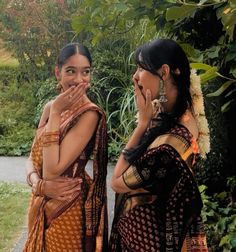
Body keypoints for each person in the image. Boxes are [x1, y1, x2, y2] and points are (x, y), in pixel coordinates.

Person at [109, 38, 209, 251]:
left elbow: (117, 182)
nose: (135, 76)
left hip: (150, 241)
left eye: (141, 68)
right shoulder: (178, 114)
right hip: (144, 237)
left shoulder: (167, 148)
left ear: (164, 72)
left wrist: (142, 125)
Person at [24, 42, 108, 252]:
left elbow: (53, 170)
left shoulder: (89, 115)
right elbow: (32, 160)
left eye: (85, 72)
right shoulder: (51, 107)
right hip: (41, 201)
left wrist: (54, 114)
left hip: (67, 209)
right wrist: (38, 185)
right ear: (57, 72)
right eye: (71, 71)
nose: (79, 80)